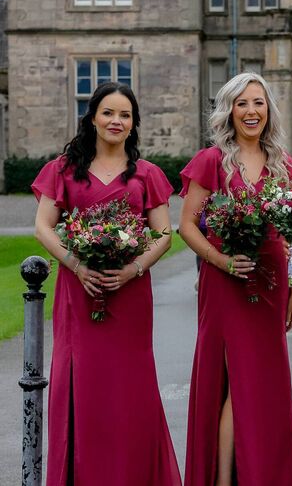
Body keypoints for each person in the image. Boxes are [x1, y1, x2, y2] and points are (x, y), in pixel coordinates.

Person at [32, 82, 181, 486]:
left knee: (128, 393)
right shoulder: (62, 169)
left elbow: (165, 234)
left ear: (133, 125)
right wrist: (76, 264)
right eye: (109, 113)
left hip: (129, 295)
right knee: (79, 385)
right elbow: (43, 227)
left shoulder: (147, 174)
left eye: (125, 115)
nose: (117, 121)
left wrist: (133, 269)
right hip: (78, 293)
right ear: (93, 118)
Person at [179, 72, 292, 485]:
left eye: (258, 103)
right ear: (229, 110)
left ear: (269, 111)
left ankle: (260, 471)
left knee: (260, 384)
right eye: (242, 103)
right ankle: (224, 478)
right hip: (225, 284)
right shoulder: (211, 160)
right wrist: (220, 261)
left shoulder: (286, 166)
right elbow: (187, 225)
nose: (251, 111)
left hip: (271, 283)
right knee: (235, 383)